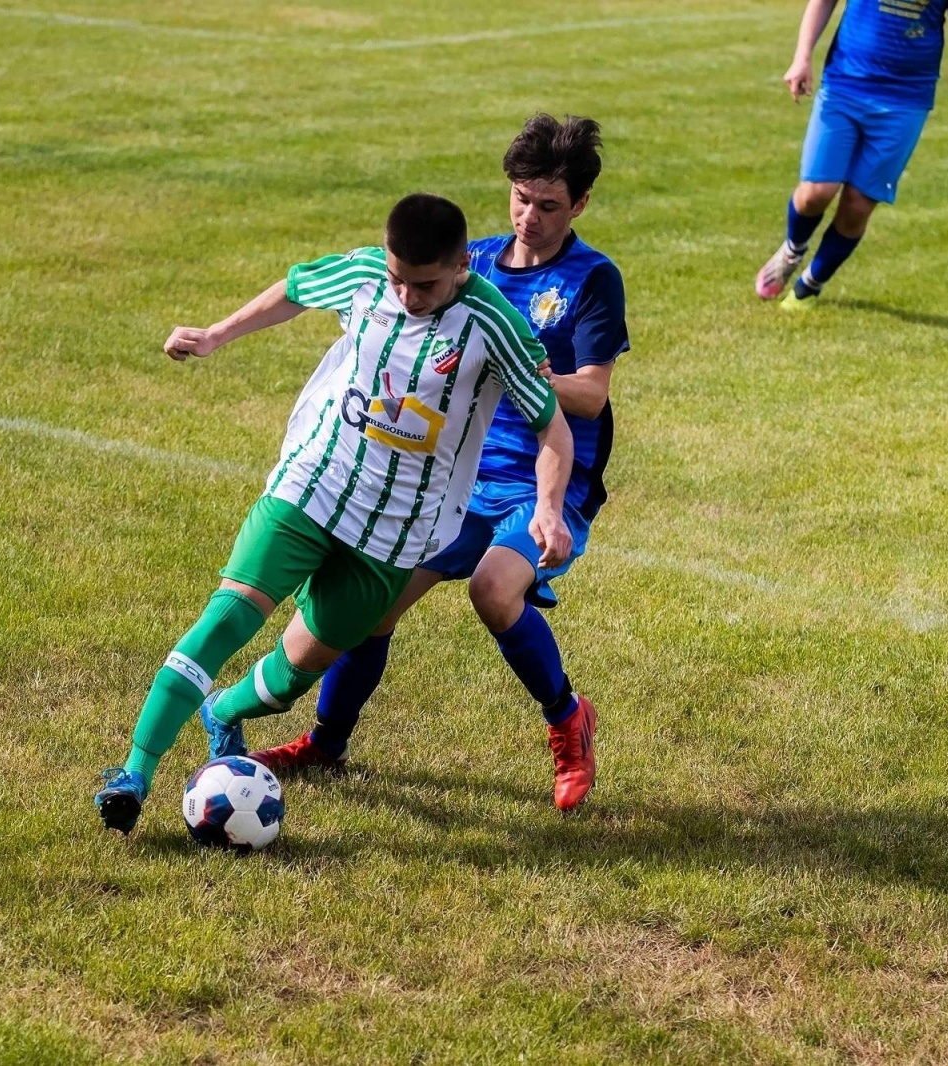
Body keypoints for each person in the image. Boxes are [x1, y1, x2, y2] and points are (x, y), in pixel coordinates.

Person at [95, 192, 575, 834]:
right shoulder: (364, 274)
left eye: (424, 284)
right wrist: (216, 335)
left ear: (463, 263)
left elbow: (553, 429)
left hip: (396, 533)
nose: (406, 295)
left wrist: (548, 507)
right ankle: (133, 773)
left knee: (298, 672)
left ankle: (222, 711)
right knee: (225, 621)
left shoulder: (497, 327)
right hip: (311, 487)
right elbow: (295, 288)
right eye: (398, 278)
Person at [244, 114, 627, 812]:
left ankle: (569, 719)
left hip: (541, 481)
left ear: (579, 205)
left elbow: (593, 396)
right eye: (519, 198)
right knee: (374, 604)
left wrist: (528, 376)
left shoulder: (593, 279)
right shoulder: (466, 264)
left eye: (547, 205)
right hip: (452, 482)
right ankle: (326, 744)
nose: (529, 216)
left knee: (493, 589)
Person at [754, 0, 948, 308]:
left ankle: (810, 285)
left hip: (905, 101)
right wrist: (802, 56)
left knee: (858, 205)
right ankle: (792, 250)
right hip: (844, 85)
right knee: (815, 193)